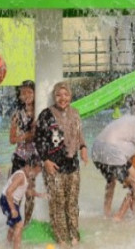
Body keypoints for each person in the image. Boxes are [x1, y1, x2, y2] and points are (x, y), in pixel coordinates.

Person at [35, 81, 88, 246]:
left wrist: (84, 147)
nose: (62, 98)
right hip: (54, 166)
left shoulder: (75, 113)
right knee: (57, 202)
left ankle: (74, 235)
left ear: (70, 96)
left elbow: (79, 135)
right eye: (58, 95)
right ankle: (60, 237)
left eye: (65, 94)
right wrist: (45, 161)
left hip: (72, 165)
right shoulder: (46, 115)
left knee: (72, 202)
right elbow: (39, 139)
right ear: (54, 97)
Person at [91, 102, 135, 220]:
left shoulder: (127, 118)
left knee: (111, 181)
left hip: (96, 150)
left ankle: (106, 212)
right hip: (112, 151)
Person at [9, 80, 38, 224]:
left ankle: (26, 222)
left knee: (30, 192)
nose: (26, 95)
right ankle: (15, 221)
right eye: (23, 93)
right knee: (16, 193)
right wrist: (27, 136)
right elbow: (12, 139)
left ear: (35, 94)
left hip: (34, 158)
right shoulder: (17, 115)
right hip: (20, 157)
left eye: (30, 92)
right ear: (19, 96)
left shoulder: (40, 112)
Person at [0, 155, 44, 249]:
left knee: (13, 225)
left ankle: (7, 245)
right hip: (7, 200)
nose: (37, 175)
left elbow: (28, 191)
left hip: (9, 200)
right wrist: (12, 209)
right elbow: (8, 192)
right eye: (37, 172)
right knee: (19, 225)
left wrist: (40, 195)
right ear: (30, 166)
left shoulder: (26, 176)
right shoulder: (20, 176)